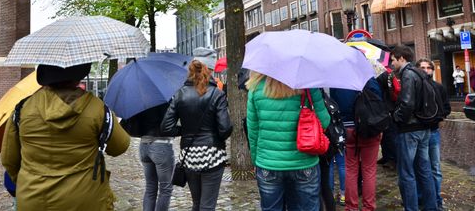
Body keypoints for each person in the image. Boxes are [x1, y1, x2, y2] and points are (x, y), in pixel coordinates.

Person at [1, 63, 131, 210]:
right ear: (78, 75)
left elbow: (8, 159)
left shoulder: (22, 109)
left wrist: (28, 180)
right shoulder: (97, 108)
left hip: (34, 199)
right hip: (85, 199)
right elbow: (120, 147)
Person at [246, 72, 330, 211]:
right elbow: (325, 122)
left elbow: (253, 132)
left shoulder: (255, 87)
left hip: (268, 163)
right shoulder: (308, 86)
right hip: (304, 162)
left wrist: (256, 160)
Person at [161, 60, 232, 211]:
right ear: (209, 71)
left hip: (189, 156)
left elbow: (166, 127)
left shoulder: (179, 94)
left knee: (197, 204)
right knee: (207, 206)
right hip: (213, 155)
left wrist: (185, 131)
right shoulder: (217, 94)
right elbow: (225, 129)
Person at [390, 46, 437, 211]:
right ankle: (432, 207)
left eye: (393, 60)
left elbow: (407, 103)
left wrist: (396, 118)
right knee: (424, 170)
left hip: (410, 130)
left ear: (401, 58)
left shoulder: (408, 75)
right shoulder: (420, 73)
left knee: (406, 173)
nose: (392, 63)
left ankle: (411, 208)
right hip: (424, 128)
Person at [329, 78, 383, 211]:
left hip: (348, 129)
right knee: (369, 170)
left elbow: (334, 104)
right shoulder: (369, 80)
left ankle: (351, 206)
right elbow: (379, 102)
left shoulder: (338, 81)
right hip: (369, 128)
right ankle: (368, 206)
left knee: (350, 169)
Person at [120, 103, 175, 211]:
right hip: (161, 145)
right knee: (165, 188)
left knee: (150, 188)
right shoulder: (165, 101)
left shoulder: (141, 102)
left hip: (144, 145)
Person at [415, 59, 451, 211]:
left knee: (435, 167)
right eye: (422, 67)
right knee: (420, 167)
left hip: (433, 133)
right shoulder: (414, 86)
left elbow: (446, 108)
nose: (426, 70)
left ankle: (437, 199)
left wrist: (439, 117)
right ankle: (420, 198)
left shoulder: (439, 87)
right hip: (418, 133)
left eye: (429, 67)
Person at [376, 67, 400, 168]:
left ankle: (393, 159)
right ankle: (387, 156)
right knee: (386, 135)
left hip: (387, 107)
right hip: (388, 106)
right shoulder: (387, 72)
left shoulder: (382, 73)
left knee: (390, 135)